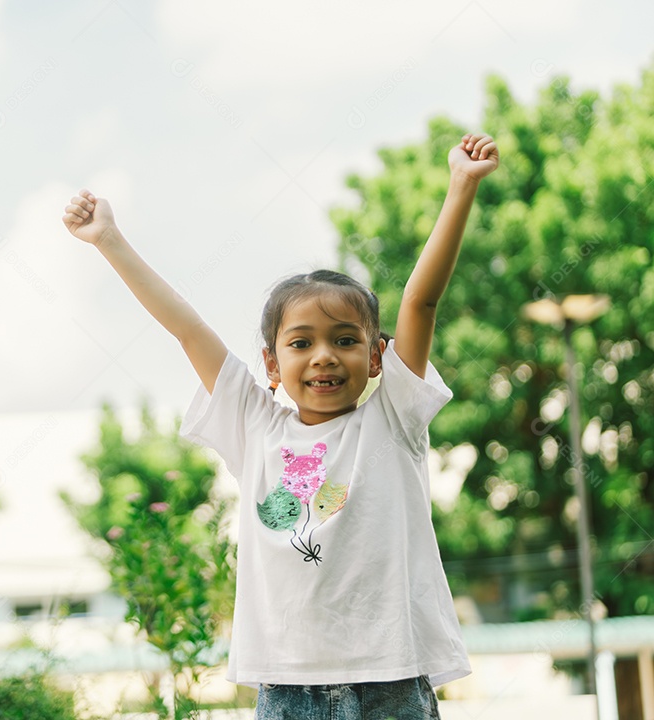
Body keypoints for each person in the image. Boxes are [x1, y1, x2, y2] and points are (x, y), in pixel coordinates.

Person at [62, 132, 499, 719]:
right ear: (271, 364)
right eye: (301, 343)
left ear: (376, 357)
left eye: (345, 340)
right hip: (287, 689)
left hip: (391, 680)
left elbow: (420, 303)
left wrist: (461, 185)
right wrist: (109, 241)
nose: (323, 356)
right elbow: (188, 329)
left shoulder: (394, 414)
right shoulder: (255, 425)